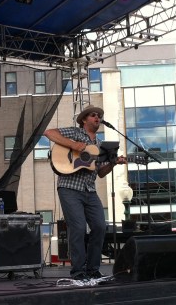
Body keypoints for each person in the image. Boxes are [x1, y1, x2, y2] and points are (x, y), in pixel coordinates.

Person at [44, 105, 127, 280]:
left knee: (99, 226)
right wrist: (74, 145)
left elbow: (101, 173)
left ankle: (92, 269)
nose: (97, 117)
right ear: (84, 120)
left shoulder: (99, 145)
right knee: (79, 227)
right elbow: (49, 133)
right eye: (93, 115)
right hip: (69, 187)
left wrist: (113, 162)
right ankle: (78, 272)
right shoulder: (75, 133)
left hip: (90, 190)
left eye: (99, 115)